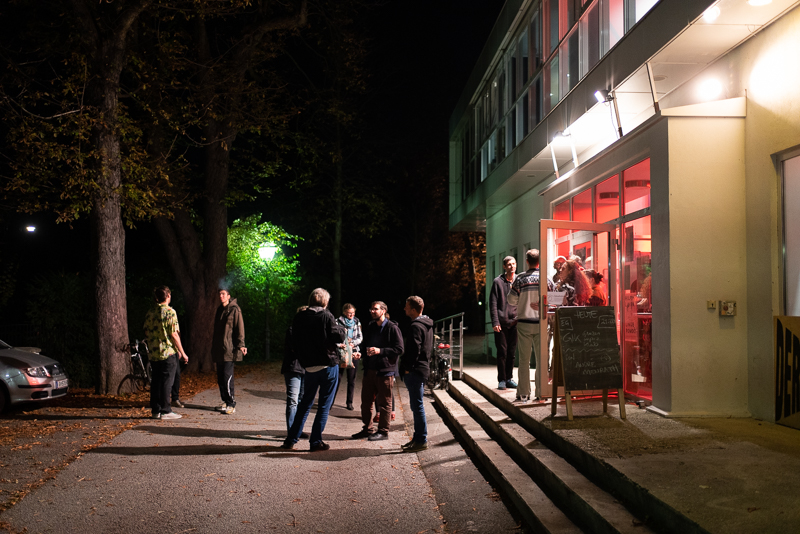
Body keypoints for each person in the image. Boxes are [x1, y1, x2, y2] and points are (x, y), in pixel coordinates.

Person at [281, 288, 346, 451]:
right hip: (327, 365)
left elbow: (295, 341)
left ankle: (291, 439)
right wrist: (341, 329)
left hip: (309, 366)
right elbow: (338, 336)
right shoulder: (326, 316)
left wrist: (303, 358)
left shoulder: (299, 317)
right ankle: (316, 441)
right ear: (325, 301)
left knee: (305, 403)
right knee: (324, 404)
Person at [351, 301, 404, 442]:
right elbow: (365, 345)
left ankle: (383, 432)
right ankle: (367, 429)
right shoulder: (371, 326)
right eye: (371, 309)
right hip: (370, 370)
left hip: (385, 371)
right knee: (366, 402)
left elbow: (399, 349)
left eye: (375, 309)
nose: (372, 311)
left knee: (385, 403)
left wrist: (380, 351)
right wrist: (360, 353)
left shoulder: (392, 328)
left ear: (383, 311)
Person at [507, 249, 553, 403]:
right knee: (541, 360)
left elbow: (511, 300)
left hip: (524, 324)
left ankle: (523, 393)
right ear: (539, 262)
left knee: (524, 360)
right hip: (542, 324)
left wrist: (522, 300)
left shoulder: (520, 279)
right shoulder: (546, 279)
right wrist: (543, 305)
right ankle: (541, 393)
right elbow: (555, 300)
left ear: (527, 261)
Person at [143, 286, 188, 421]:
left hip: (154, 353)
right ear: (168, 296)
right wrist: (182, 352)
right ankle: (165, 410)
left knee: (156, 381)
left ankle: (155, 410)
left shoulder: (150, 312)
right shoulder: (170, 312)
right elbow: (174, 334)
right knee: (167, 381)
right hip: (167, 353)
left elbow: (146, 331)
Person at [400, 296, 433, 452]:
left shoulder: (416, 326)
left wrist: (407, 368)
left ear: (413, 310)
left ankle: (421, 440)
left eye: (407, 307)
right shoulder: (427, 324)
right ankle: (418, 438)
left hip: (415, 370)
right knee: (417, 405)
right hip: (422, 368)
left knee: (417, 406)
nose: (404, 309)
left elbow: (414, 350)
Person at [211, 288, 246, 415]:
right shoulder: (220, 309)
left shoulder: (235, 310)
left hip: (229, 350)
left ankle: (231, 404)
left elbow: (239, 328)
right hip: (219, 349)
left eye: (223, 294)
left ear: (228, 296)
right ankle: (225, 401)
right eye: (219, 294)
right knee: (220, 378)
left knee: (227, 377)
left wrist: (241, 345)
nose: (221, 296)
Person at [489, 256, 518, 390]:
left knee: (512, 352)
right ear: (504, 267)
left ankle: (509, 378)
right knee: (502, 352)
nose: (512, 266)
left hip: (515, 322)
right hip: (501, 323)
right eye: (509, 264)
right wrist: (495, 321)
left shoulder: (518, 280)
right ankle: (502, 379)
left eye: (514, 264)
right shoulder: (497, 282)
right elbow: (493, 303)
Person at [281, 306, 307, 433]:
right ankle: (292, 431)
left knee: (301, 400)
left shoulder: (309, 331)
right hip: (293, 368)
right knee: (293, 400)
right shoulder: (292, 330)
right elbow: (297, 348)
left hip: (305, 369)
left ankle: (297, 429)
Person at [336, 303, 363, 411]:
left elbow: (360, 337)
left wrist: (353, 343)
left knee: (351, 379)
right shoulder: (337, 322)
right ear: (344, 312)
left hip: (354, 352)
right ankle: (330, 401)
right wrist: (340, 344)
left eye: (353, 312)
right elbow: (333, 337)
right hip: (341, 353)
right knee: (337, 378)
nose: (352, 315)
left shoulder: (356, 322)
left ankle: (349, 402)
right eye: (349, 313)